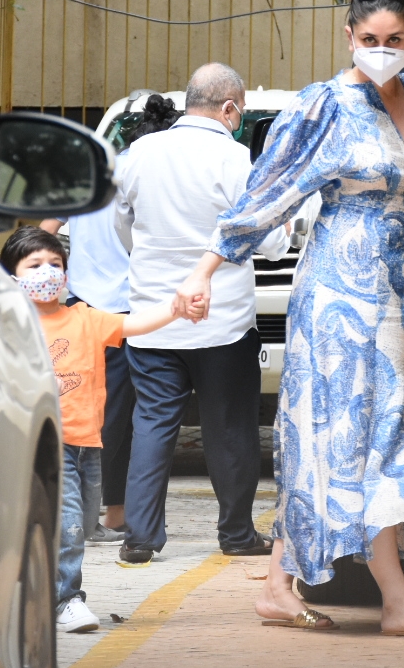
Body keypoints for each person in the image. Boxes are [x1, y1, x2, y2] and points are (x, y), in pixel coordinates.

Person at [173, 0, 404, 638]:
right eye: (370, 40)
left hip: (389, 289)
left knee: (335, 435)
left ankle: (278, 584)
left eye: (394, 39)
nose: (383, 51)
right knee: (362, 432)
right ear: (348, 36)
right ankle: (396, 600)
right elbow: (266, 194)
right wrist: (204, 271)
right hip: (336, 284)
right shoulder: (324, 105)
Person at [114, 64, 291, 567]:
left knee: (151, 423)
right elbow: (271, 240)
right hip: (223, 323)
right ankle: (236, 534)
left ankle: (140, 538)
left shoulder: (137, 154)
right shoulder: (237, 160)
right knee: (229, 427)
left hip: (152, 316)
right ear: (230, 108)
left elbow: (122, 226)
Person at [0, 225, 181, 633]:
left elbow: (133, 325)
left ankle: (35, 596)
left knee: (73, 527)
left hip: (87, 445)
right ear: (12, 278)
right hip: (42, 443)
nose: (48, 271)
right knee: (70, 526)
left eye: (56, 264)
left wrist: (177, 309)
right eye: (35, 265)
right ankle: (66, 600)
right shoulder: (7, 326)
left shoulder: (85, 318)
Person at [41, 93, 181, 544]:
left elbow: (43, 229)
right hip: (128, 313)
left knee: (89, 414)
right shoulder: (157, 181)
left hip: (80, 309)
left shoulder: (92, 177)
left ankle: (93, 512)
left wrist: (44, 278)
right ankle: (109, 514)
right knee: (120, 421)